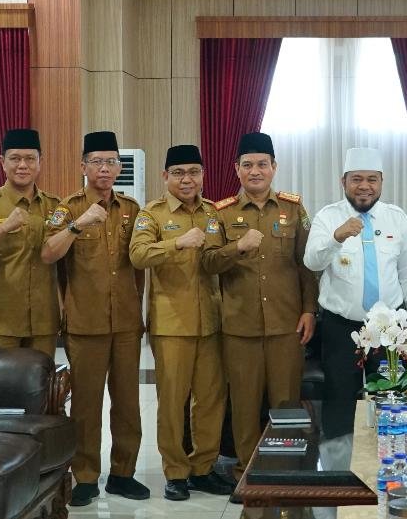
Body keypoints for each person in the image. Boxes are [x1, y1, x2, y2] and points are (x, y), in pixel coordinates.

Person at [200, 131, 318, 487]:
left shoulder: (293, 209)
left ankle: (283, 472)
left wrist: (309, 310)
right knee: (245, 406)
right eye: (248, 165)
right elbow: (206, 263)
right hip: (240, 327)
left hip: (287, 325)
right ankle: (246, 475)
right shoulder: (220, 213)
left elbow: (307, 265)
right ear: (236, 169)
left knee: (285, 404)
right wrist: (236, 248)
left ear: (274, 167)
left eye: (262, 164)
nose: (255, 171)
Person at [41, 131, 148, 507]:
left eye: (111, 162)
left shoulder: (133, 209)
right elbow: (48, 254)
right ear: (83, 166)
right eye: (97, 162)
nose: (105, 169)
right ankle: (85, 476)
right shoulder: (67, 209)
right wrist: (78, 224)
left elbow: (138, 266)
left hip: (126, 323)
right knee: (86, 405)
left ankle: (123, 473)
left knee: (128, 403)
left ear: (120, 166)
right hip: (85, 323)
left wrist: (137, 306)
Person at [129, 144, 234, 501]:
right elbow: (138, 255)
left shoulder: (212, 213)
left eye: (193, 172)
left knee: (210, 400)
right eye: (178, 173)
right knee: (172, 403)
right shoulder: (152, 215)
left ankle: (203, 469)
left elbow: (215, 261)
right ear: (165, 177)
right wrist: (177, 243)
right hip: (171, 325)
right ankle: (175, 472)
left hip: (211, 323)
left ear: (203, 175)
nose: (187, 179)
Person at [304, 147, 407, 401]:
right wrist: (336, 237)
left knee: (391, 399)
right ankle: (341, 443)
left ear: (381, 182)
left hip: (390, 329)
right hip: (341, 329)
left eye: (372, 179)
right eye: (356, 179)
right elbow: (312, 262)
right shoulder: (328, 217)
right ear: (343, 182)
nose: (364, 186)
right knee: (340, 402)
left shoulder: (397, 218)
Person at [0, 128, 61, 356]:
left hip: (42, 322)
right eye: (15, 158)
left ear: (40, 162)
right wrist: (3, 229)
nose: (22, 165)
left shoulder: (55, 206)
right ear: (2, 162)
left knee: (39, 389)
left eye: (30, 159)